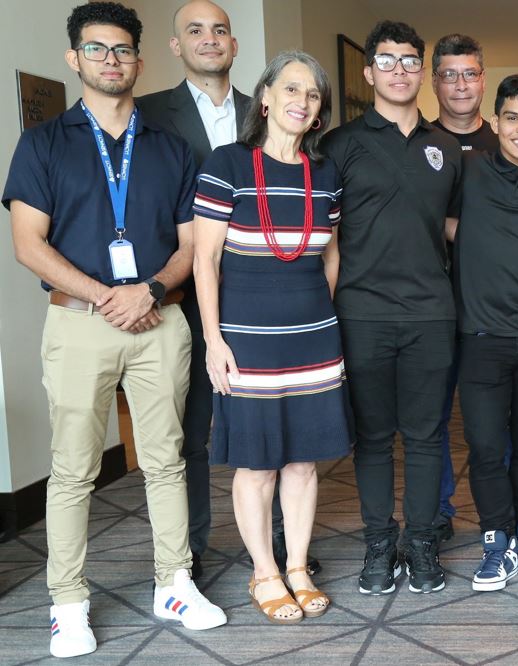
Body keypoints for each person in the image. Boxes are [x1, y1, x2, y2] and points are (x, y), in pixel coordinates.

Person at [3, 2, 226, 657]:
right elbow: (27, 242)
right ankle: (67, 603)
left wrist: (150, 290)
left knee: (166, 463)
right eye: (96, 50)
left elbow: (192, 245)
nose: (110, 60)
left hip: (161, 322)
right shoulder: (43, 143)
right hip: (78, 325)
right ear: (74, 59)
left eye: (122, 49)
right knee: (72, 472)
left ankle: (174, 582)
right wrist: (107, 296)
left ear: (139, 59)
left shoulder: (170, 146)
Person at [192, 50, 349, 624]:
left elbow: (330, 254)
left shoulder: (325, 173)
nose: (301, 102)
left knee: (304, 462)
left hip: (312, 340)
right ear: (265, 98)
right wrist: (214, 339)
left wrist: (315, 317)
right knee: (256, 464)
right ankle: (264, 571)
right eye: (291, 89)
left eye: (312, 95)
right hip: (247, 341)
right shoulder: (227, 164)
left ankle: (299, 566)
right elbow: (205, 261)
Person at [323, 20, 462, 595]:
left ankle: (423, 541)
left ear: (421, 71)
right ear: (367, 71)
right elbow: (324, 236)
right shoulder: (340, 144)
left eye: (409, 61)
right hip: (363, 314)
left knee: (428, 436)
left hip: (432, 312)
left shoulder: (446, 147)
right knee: (375, 437)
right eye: (387, 61)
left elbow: (455, 228)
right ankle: (381, 544)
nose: (399, 71)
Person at [135, 0, 253, 582]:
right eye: (196, 31)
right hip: (183, 295)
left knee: (267, 425)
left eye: (221, 30)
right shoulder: (148, 115)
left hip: (262, 296)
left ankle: (278, 543)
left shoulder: (268, 112)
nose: (210, 39)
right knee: (188, 435)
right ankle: (191, 549)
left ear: (234, 44)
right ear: (176, 47)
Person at [449, 74, 518, 591]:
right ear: (494, 123)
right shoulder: (466, 168)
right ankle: (496, 539)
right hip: (480, 337)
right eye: (512, 118)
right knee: (487, 445)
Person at [427, 32, 498, 545]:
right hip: (431, 305)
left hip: (493, 309)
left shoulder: (506, 142)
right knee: (430, 420)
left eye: (469, 73)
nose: (460, 84)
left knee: (494, 423)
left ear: (483, 79)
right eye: (449, 74)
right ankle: (438, 511)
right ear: (434, 81)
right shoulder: (419, 143)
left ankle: (504, 510)